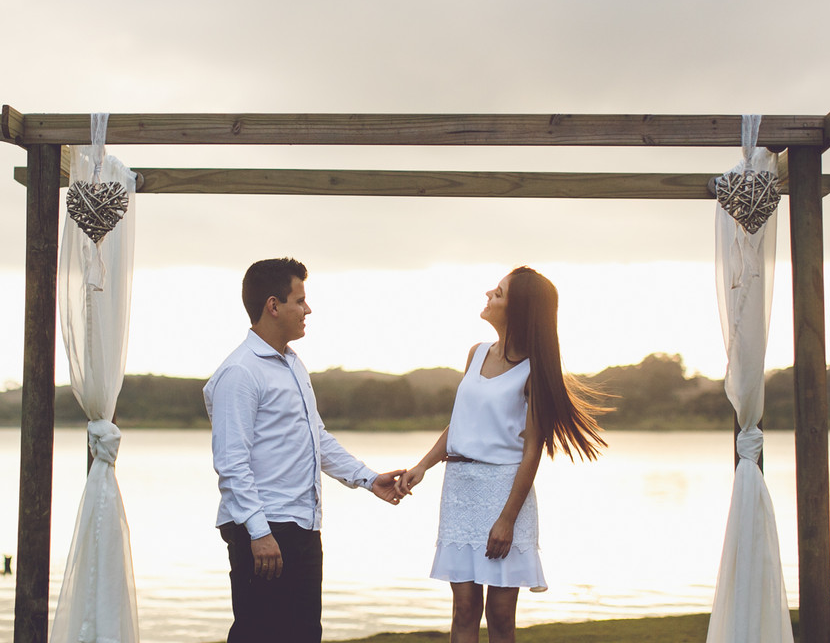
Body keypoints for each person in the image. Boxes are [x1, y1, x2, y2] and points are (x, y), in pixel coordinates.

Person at [399, 266, 609, 643]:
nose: (488, 295)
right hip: (460, 491)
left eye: (498, 293)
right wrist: (423, 465)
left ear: (519, 309)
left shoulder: (533, 372)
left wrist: (507, 520)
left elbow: (532, 451)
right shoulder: (476, 353)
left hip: (505, 494)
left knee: (499, 615)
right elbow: (460, 424)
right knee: (464, 609)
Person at [204, 257, 407, 643]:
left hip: (302, 525)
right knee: (257, 635)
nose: (307, 309)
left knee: (304, 635)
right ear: (273, 305)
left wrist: (368, 479)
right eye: (299, 300)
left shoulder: (293, 365)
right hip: (264, 528)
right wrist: (259, 533)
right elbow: (231, 463)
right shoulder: (240, 372)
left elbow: (317, 438)